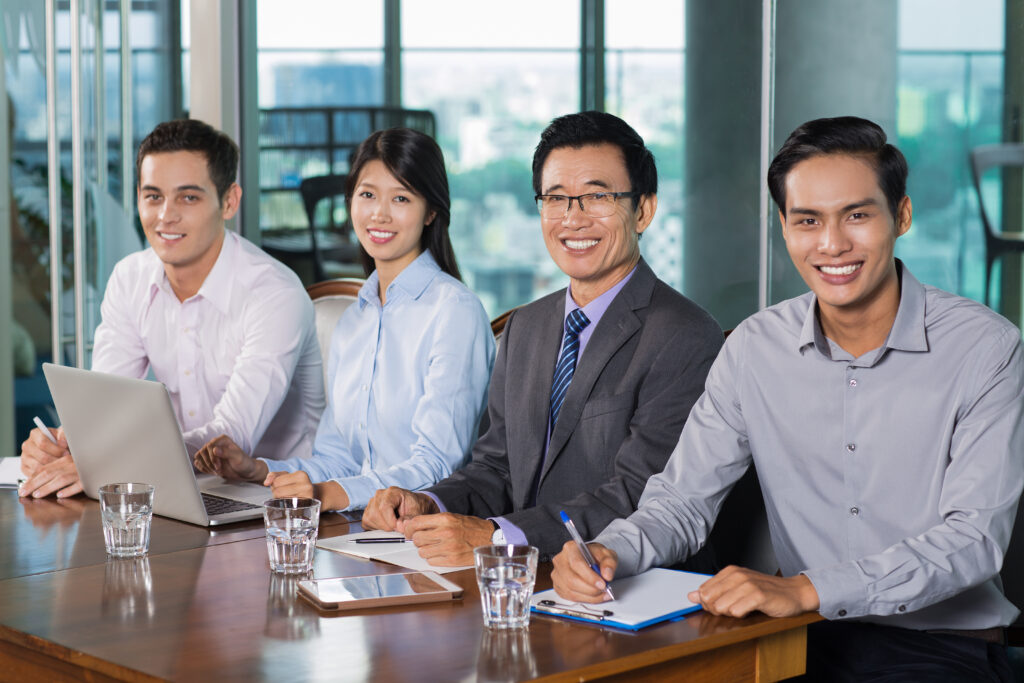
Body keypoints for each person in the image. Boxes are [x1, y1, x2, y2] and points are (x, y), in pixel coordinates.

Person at [551, 116, 1023, 681]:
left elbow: (972, 540)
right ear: (784, 226)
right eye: (808, 220)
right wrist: (610, 552)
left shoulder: (985, 347)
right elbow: (681, 501)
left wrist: (808, 590)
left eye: (857, 215)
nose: (832, 244)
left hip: (941, 647)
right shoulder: (754, 346)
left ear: (901, 215)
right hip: (790, 639)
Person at [361, 111, 723, 564]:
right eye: (555, 199)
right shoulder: (525, 326)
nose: (572, 218)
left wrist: (496, 536)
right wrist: (428, 503)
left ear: (644, 210)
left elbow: (640, 493)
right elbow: (495, 469)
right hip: (518, 584)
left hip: (622, 588)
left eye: (597, 196)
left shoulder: (684, 335)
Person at [19, 119, 325, 499]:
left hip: (276, 502)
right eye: (153, 196)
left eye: (188, 197)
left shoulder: (273, 293)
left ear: (229, 201)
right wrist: (65, 444)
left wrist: (101, 460)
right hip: (178, 491)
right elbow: (107, 408)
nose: (165, 216)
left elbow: (231, 435)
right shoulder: (130, 278)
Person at [193, 128, 495, 512]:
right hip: (356, 529)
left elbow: (436, 467)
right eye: (367, 195)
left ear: (431, 211)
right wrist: (257, 470)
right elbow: (339, 462)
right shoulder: (354, 321)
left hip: (427, 535)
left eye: (401, 198)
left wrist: (323, 495)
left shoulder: (455, 312)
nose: (379, 213)